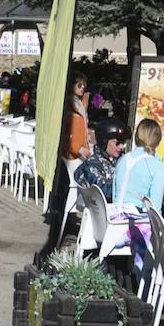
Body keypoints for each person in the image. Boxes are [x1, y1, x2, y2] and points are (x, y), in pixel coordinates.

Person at [43, 72, 90, 228]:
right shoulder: (70, 107)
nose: (82, 88)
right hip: (72, 155)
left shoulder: (79, 105)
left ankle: (71, 213)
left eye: (84, 85)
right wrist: (78, 149)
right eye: (79, 85)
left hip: (77, 153)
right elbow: (67, 134)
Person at [113, 119, 164, 210]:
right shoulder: (158, 167)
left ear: (136, 137)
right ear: (158, 140)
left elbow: (115, 194)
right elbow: (155, 208)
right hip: (138, 220)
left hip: (115, 217)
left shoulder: (123, 160)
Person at [74, 118, 129, 201]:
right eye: (116, 142)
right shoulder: (91, 165)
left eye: (123, 143)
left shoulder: (123, 160)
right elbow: (101, 192)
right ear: (104, 141)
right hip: (101, 211)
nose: (121, 147)